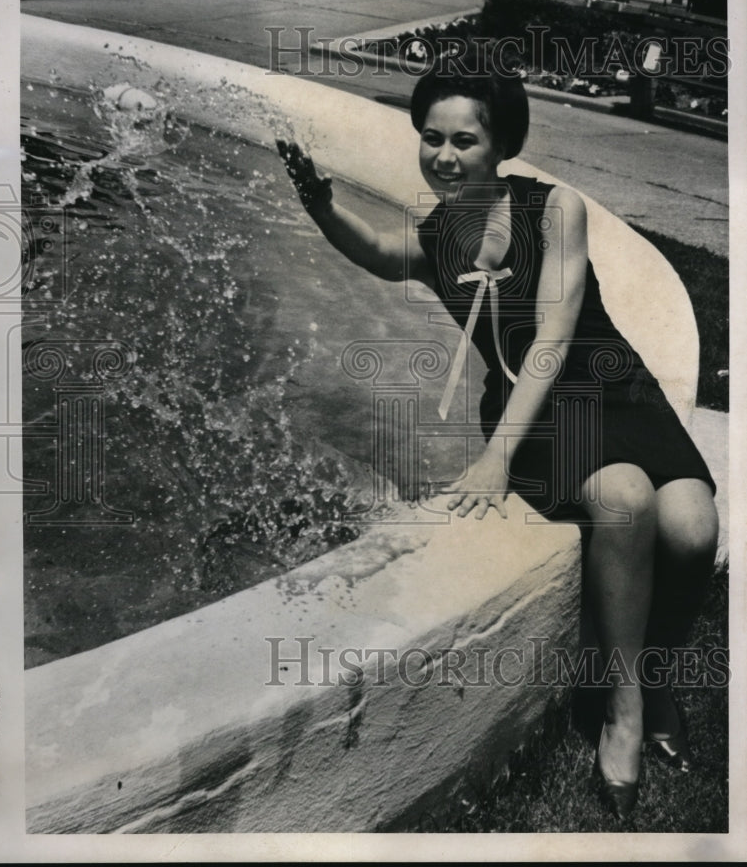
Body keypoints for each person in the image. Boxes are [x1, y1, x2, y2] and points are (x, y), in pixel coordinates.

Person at [276, 54, 718, 821]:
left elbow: (552, 335)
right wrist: (323, 206)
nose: (444, 156)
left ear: (501, 145)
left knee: (691, 528)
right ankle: (618, 711)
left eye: (464, 141)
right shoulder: (443, 233)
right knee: (623, 499)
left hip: (610, 390)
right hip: (539, 416)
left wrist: (494, 458)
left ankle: (650, 673)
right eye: (431, 137)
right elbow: (384, 255)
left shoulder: (554, 211)